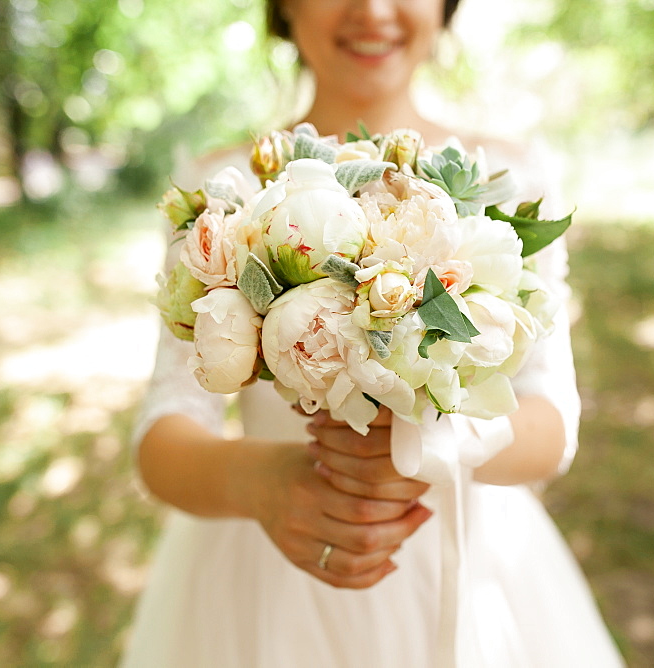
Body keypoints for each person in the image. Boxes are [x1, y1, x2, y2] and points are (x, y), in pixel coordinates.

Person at [122, 0, 624, 665]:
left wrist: (439, 446)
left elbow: (550, 422)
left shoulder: (509, 180)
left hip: (469, 567)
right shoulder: (223, 191)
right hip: (267, 571)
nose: (374, 10)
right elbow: (167, 426)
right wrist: (264, 484)